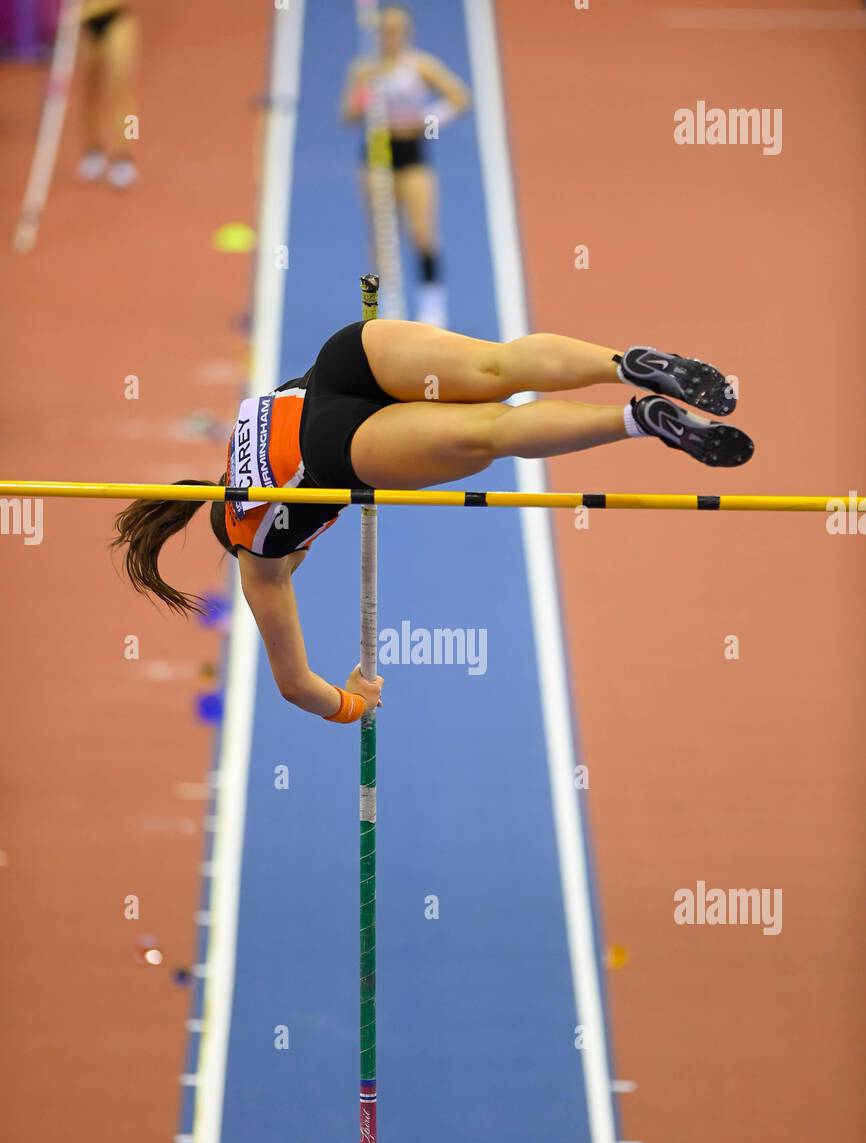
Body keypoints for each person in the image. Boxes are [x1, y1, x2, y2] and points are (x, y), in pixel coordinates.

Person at [112, 320, 752, 723]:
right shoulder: (235, 449)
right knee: (498, 369)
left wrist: (353, 701)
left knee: (492, 432)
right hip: (345, 359)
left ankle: (637, 417)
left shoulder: (261, 560)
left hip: (336, 446)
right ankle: (623, 362)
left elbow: (296, 687)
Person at [341, 5, 470, 326]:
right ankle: (384, 307)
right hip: (376, 156)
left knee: (423, 234)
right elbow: (347, 115)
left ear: (407, 33)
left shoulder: (421, 65)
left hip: (412, 155)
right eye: (386, 30)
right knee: (382, 238)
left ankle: (432, 307)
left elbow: (460, 97)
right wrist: (365, 99)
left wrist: (426, 120)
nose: (391, 35)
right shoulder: (364, 70)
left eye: (398, 29)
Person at [76, 1, 140, 188]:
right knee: (90, 93)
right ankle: (93, 151)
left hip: (117, 23)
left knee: (121, 92)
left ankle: (125, 157)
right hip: (88, 28)